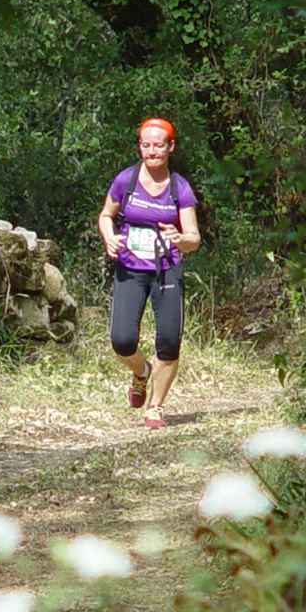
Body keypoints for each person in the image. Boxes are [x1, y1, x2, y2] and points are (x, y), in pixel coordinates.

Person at [98, 117, 201, 429]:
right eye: (146, 145)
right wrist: (109, 238)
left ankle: (155, 407)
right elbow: (106, 215)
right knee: (122, 340)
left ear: (170, 147)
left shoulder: (179, 188)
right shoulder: (125, 181)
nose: (152, 151)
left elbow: (194, 239)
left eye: (159, 145)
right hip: (130, 268)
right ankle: (141, 372)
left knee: (169, 341)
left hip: (166, 270)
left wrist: (180, 239)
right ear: (139, 147)